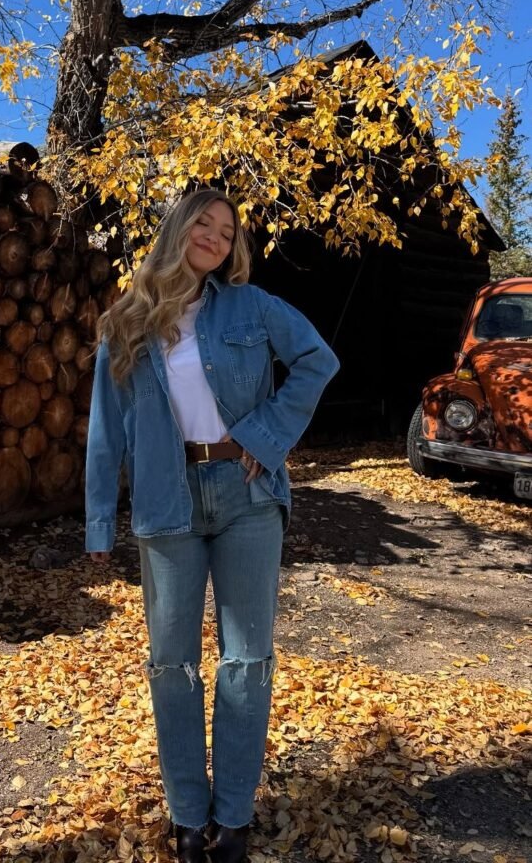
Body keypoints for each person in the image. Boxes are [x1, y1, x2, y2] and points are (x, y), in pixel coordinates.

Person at [85, 189, 339, 863]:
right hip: (166, 502)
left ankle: (231, 817)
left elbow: (318, 361)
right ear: (176, 227)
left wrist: (264, 434)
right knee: (171, 665)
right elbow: (105, 432)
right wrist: (98, 524)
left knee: (247, 662)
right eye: (203, 221)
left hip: (246, 493)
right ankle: (185, 814)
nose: (215, 235)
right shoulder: (125, 322)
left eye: (227, 230)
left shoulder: (251, 308)